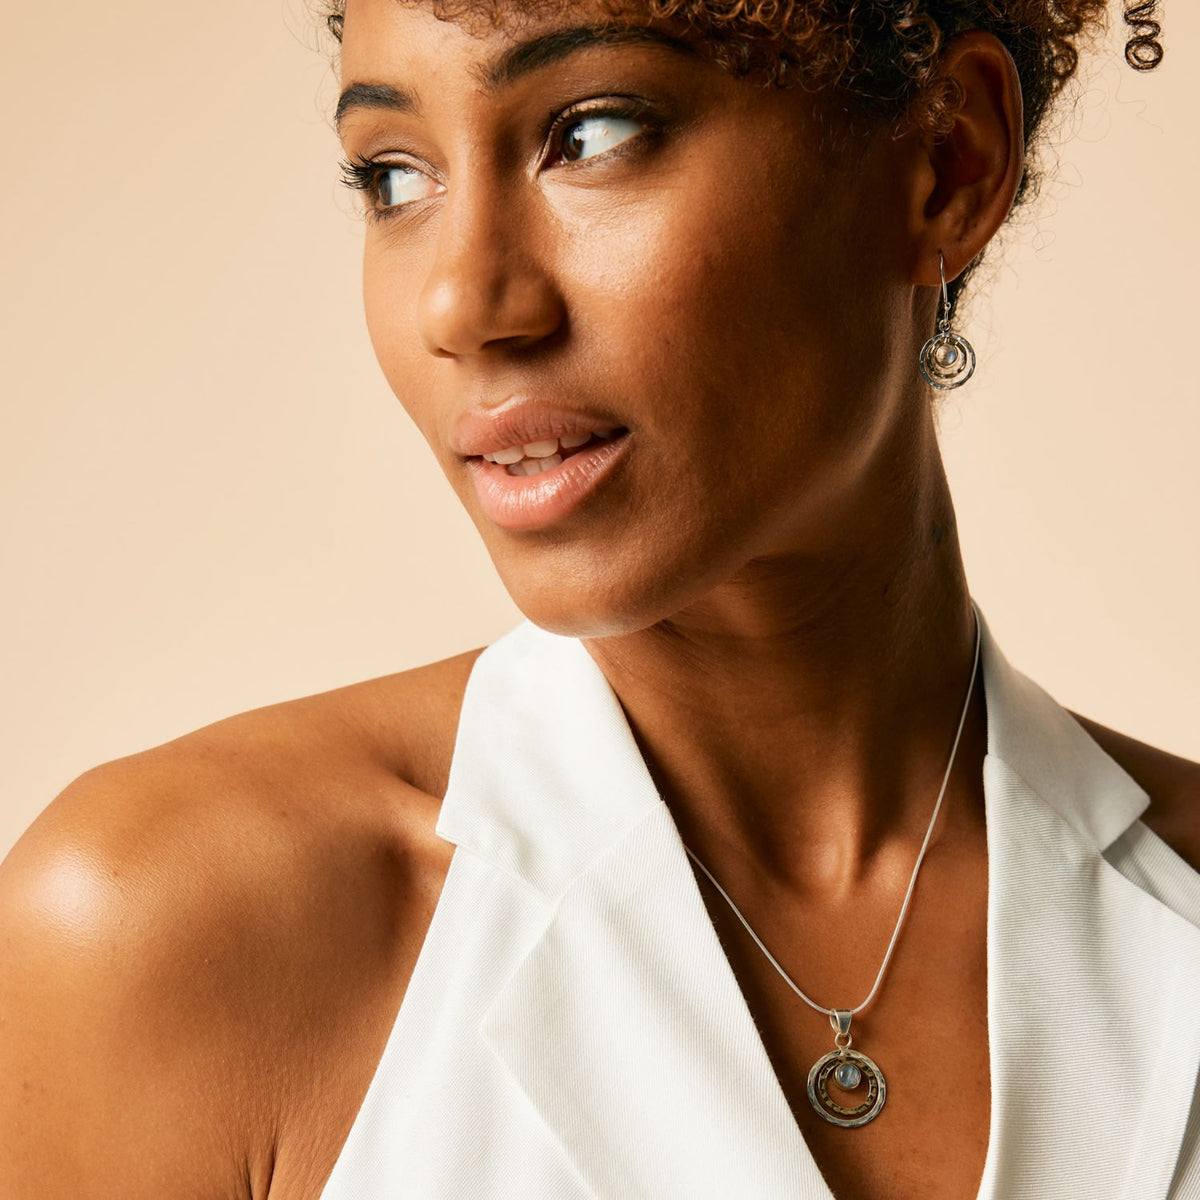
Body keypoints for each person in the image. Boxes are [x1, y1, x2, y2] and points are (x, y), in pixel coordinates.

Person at [1, 0, 1196, 1196]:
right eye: (394, 176)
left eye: (593, 132)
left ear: (948, 162)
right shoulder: (172, 936)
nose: (463, 305)